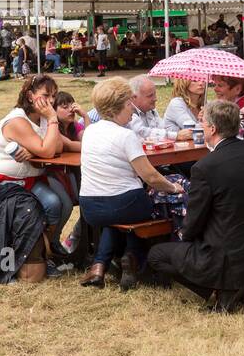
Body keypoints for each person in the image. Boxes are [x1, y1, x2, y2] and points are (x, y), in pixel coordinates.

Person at [147, 100, 244, 313]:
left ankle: (219, 291)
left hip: (222, 254)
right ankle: (239, 283)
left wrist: (185, 236)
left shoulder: (205, 167)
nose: (199, 126)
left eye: (201, 123)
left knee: (156, 254)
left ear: (212, 129)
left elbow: (195, 218)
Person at [78, 78, 184, 290]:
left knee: (116, 221)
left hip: (90, 207)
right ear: (119, 106)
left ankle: (99, 265)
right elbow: (150, 177)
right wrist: (174, 188)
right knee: (150, 207)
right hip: (124, 202)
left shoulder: (90, 131)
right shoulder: (126, 135)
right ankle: (134, 257)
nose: (131, 111)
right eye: (129, 104)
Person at [0, 75, 74, 264]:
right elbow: (48, 150)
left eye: (54, 95)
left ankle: (49, 246)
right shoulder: (17, 120)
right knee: (53, 203)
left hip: (30, 180)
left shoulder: (43, 118)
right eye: (46, 95)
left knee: (66, 203)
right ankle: (38, 252)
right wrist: (52, 121)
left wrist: (37, 149)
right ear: (30, 96)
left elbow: (58, 147)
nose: (51, 101)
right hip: (3, 183)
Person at [126, 75, 181, 139]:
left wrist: (178, 131)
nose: (155, 99)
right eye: (150, 96)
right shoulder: (128, 112)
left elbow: (162, 126)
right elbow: (142, 132)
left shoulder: (149, 109)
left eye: (155, 94)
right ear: (134, 97)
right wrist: (175, 135)